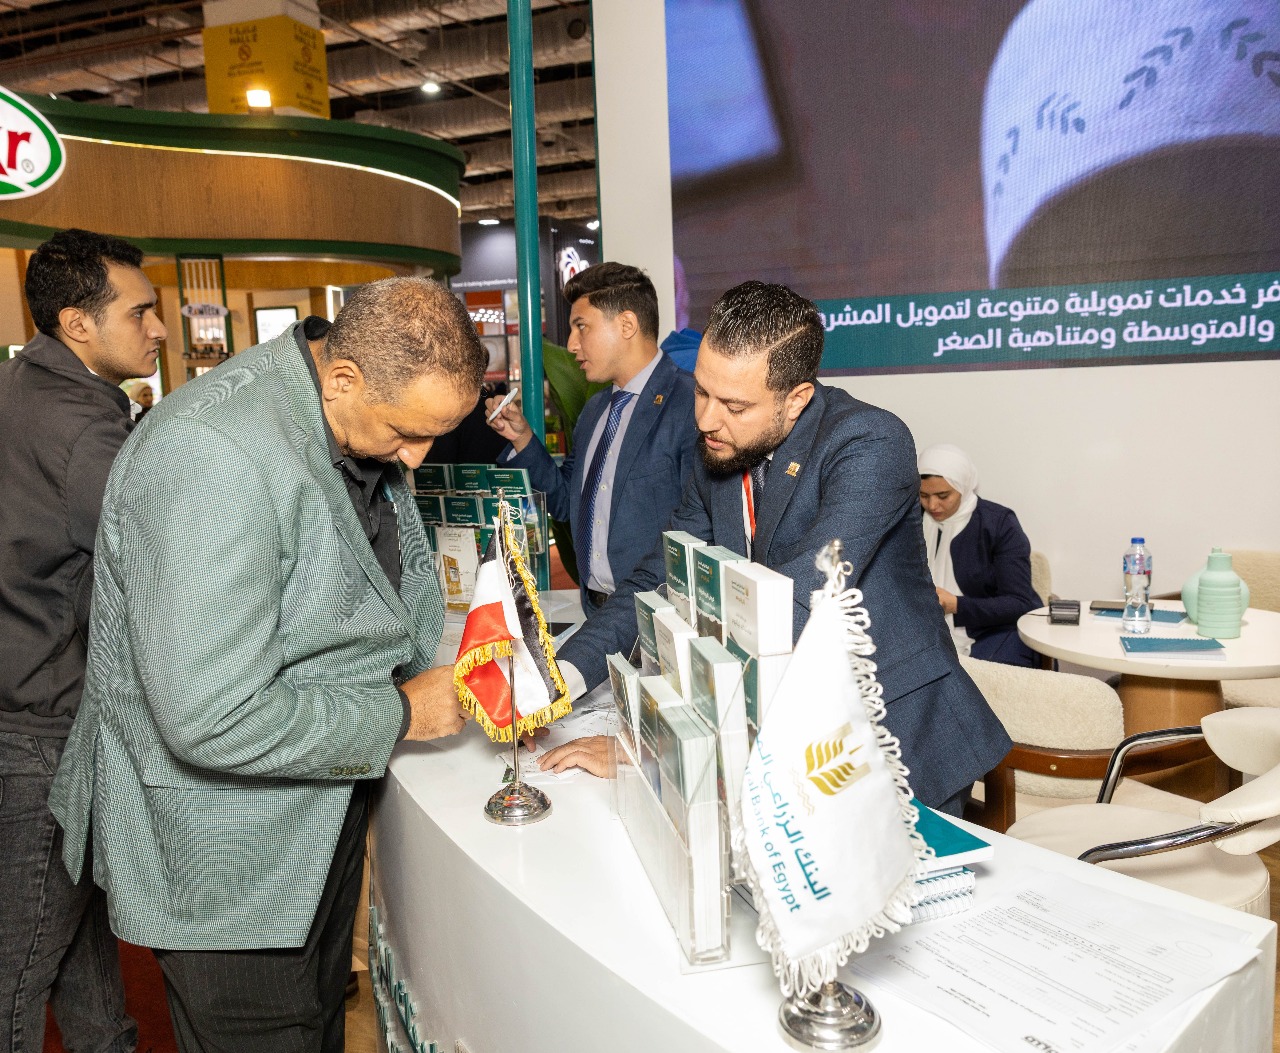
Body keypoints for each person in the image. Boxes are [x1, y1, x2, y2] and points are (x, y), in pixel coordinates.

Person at [49, 276, 484, 1053]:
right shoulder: (211, 453)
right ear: (342, 377)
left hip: (314, 815)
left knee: (316, 1029)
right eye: (407, 432)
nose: (418, 456)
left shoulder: (342, 411)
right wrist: (403, 713)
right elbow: (212, 716)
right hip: (230, 861)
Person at [535, 281, 1011, 815]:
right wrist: (556, 680)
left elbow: (794, 605)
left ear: (796, 399)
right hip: (782, 729)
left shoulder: (869, 442)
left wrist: (656, 744)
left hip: (891, 733)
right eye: (702, 392)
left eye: (734, 405)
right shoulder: (718, 447)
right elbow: (657, 577)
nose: (706, 419)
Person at [0, 228, 153, 1053]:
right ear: (78, 323)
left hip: (27, 702)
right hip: (46, 729)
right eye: (140, 312)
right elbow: (163, 566)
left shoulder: (20, 386)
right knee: (20, 971)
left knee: (77, 958)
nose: (159, 328)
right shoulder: (83, 431)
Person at [486, 262, 697, 610]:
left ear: (627, 325)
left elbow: (698, 530)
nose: (571, 344)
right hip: (596, 610)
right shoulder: (595, 411)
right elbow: (566, 502)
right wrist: (521, 438)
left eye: (581, 327)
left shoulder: (689, 404)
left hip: (659, 616)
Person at [918, 444, 1040, 668]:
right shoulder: (912, 521)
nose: (933, 505)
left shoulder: (998, 524)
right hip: (925, 626)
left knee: (986, 678)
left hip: (993, 629)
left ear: (963, 488)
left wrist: (956, 605)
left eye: (943, 495)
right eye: (923, 495)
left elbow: (1019, 603)